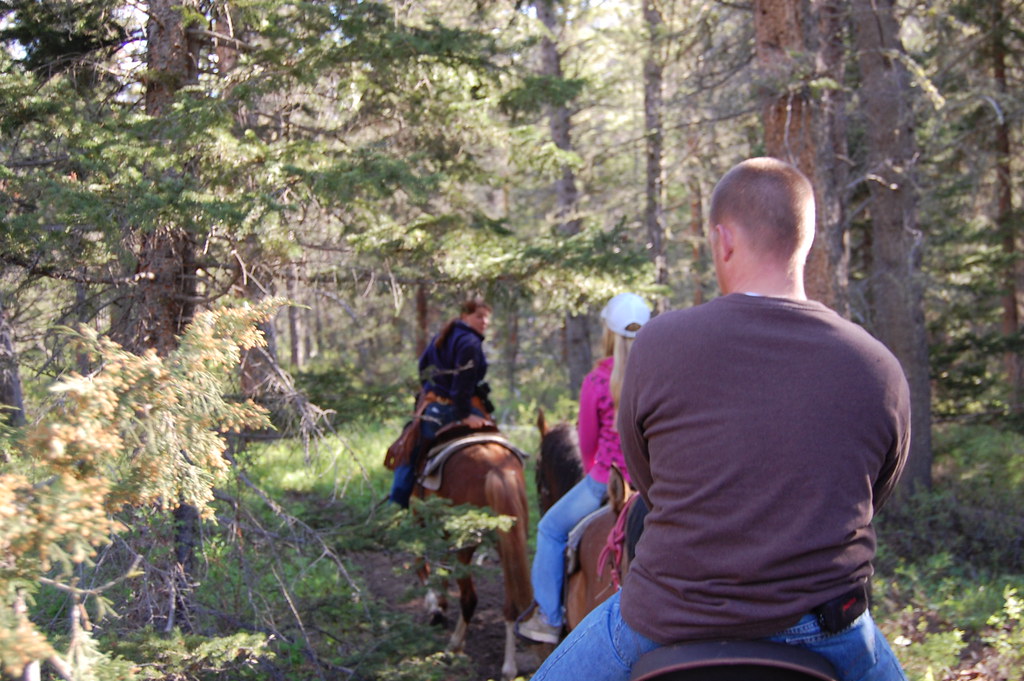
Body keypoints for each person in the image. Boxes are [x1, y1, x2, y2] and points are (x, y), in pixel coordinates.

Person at [529, 157, 912, 681]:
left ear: (723, 240)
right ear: (806, 240)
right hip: (829, 629)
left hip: (667, 619)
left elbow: (647, 480)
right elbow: (874, 492)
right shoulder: (879, 367)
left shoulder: (660, 344)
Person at [516, 292, 652, 645]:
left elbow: (587, 443)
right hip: (654, 481)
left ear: (608, 332)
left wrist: (599, 472)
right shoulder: (659, 373)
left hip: (604, 480)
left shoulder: (596, 381)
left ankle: (548, 617)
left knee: (549, 530)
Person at [388, 295, 495, 508]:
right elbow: (461, 385)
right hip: (458, 408)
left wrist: (433, 391)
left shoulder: (443, 335)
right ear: (464, 316)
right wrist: (465, 414)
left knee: (412, 452)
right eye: (479, 316)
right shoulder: (470, 343)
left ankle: (397, 504)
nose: (484, 322)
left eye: (487, 317)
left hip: (432, 408)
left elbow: (423, 369)